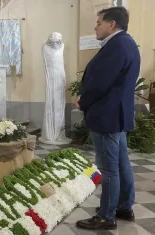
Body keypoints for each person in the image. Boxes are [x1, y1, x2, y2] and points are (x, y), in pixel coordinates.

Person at [75, 7, 140, 230]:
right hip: (116, 116)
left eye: (99, 22)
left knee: (109, 169)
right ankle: (123, 206)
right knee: (121, 165)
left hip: (106, 116)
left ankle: (106, 215)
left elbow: (100, 83)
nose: (96, 26)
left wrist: (83, 101)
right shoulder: (128, 43)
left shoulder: (116, 45)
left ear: (112, 24)